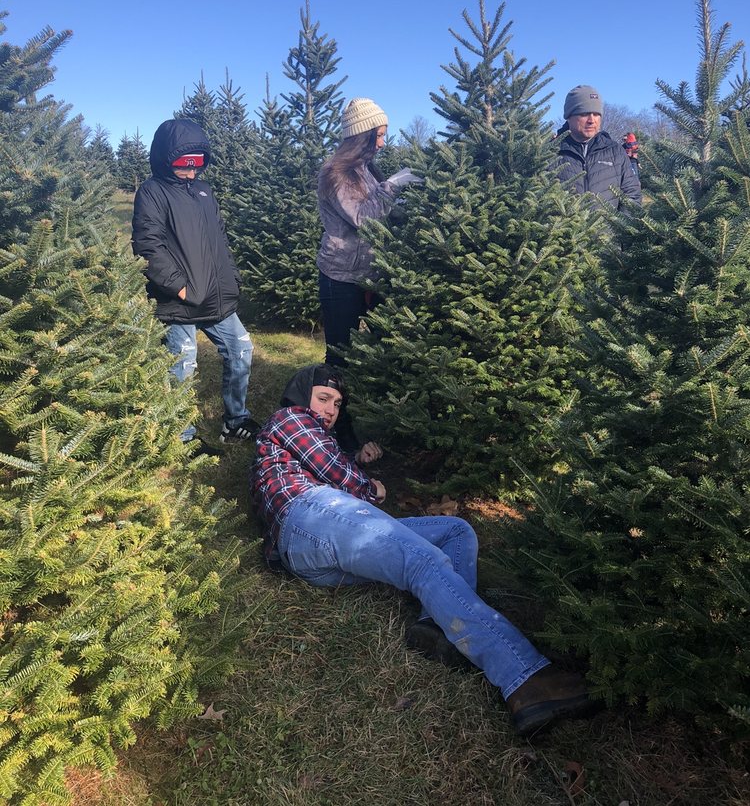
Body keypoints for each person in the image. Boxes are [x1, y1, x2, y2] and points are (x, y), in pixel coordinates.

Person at [250, 364, 594, 737]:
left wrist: (358, 466)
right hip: (310, 514)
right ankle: (524, 677)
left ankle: (435, 628)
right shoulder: (289, 417)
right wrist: (371, 488)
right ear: (302, 396)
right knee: (421, 561)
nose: (331, 409)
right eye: (324, 398)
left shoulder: (311, 432)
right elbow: (337, 472)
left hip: (321, 545)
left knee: (454, 531)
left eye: (337, 403)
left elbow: (338, 465)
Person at [132, 118, 258, 445]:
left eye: (196, 166)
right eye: (183, 167)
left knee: (241, 348)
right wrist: (179, 287)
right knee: (183, 364)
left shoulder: (204, 191)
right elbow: (148, 247)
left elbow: (219, 239)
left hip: (216, 296)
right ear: (165, 160)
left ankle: (235, 420)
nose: (190, 173)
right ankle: (182, 439)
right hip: (178, 300)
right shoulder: (152, 192)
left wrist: (231, 278)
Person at [317, 97, 423, 369]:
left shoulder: (366, 170)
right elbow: (363, 217)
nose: (382, 143)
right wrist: (392, 186)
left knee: (383, 344)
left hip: (373, 272)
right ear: (360, 136)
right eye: (378, 136)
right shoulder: (334, 172)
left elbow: (381, 211)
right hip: (341, 276)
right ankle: (332, 408)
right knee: (340, 353)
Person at [556, 85, 642, 208]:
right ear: (569, 116)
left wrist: (619, 225)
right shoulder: (552, 153)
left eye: (596, 114)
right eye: (584, 114)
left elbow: (632, 195)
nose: (592, 120)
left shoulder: (615, 152)